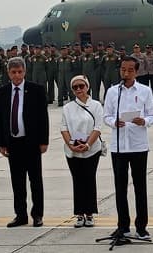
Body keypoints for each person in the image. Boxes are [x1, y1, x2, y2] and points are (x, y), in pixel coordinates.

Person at [103, 57, 153, 240]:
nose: (126, 73)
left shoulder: (145, 91)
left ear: (137, 71)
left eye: (130, 70)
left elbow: (152, 114)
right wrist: (113, 122)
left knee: (140, 187)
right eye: (123, 70)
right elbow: (106, 115)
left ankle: (141, 227)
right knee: (120, 188)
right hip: (118, 147)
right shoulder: (112, 92)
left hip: (138, 145)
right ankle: (123, 226)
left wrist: (145, 121)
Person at [0, 57, 50, 228]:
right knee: (17, 181)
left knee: (35, 180)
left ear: (25, 72)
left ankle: (37, 214)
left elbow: (43, 118)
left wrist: (43, 141)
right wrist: (1, 143)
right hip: (13, 143)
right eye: (13, 72)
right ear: (8, 73)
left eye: (20, 72)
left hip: (32, 142)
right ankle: (20, 214)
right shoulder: (2, 92)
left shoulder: (37, 90)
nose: (17, 75)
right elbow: (0, 119)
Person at [60, 75, 103, 228]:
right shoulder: (68, 107)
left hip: (91, 149)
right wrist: (72, 145)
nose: (79, 89)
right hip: (73, 150)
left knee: (89, 179)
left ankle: (90, 213)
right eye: (75, 87)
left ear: (87, 87)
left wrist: (88, 144)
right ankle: (79, 213)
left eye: (81, 86)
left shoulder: (96, 105)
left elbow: (98, 127)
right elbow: (64, 128)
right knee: (77, 180)